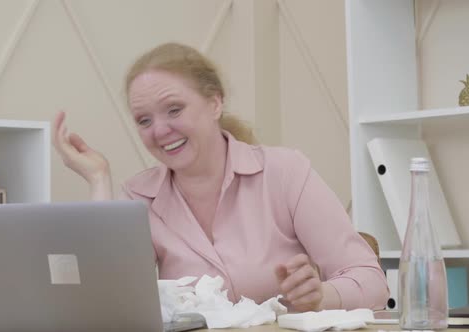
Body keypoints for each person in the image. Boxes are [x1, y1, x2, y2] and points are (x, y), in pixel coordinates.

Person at [53, 42, 388, 312]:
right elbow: (109, 303)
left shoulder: (285, 173)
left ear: (214, 104)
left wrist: (321, 296)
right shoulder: (138, 198)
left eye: (174, 110)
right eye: (144, 120)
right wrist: (98, 180)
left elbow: (372, 282)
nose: (160, 130)